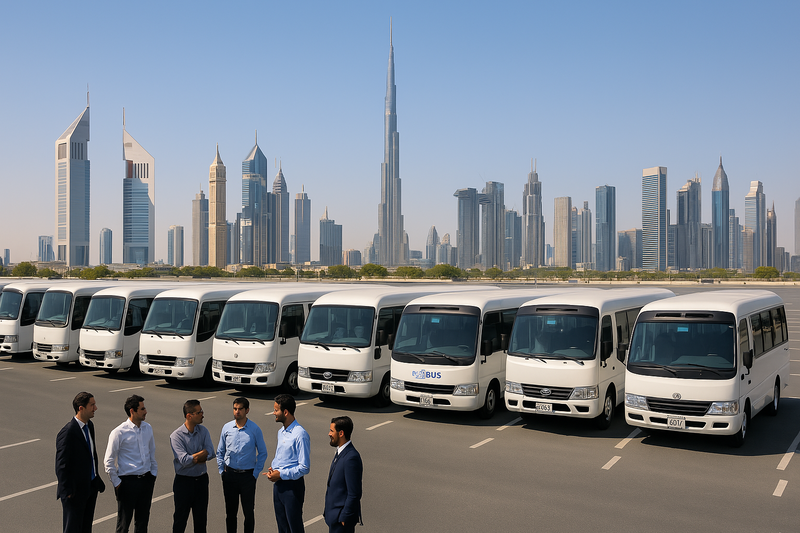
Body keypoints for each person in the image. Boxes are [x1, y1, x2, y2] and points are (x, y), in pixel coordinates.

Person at [104, 394, 158, 533]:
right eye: (142, 408)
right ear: (132, 411)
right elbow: (108, 461)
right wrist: (117, 483)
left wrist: (153, 475)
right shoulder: (118, 432)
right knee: (123, 525)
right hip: (127, 483)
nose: (145, 411)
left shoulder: (148, 428)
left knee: (142, 523)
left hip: (146, 480)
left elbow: (152, 453)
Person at [56, 391, 106, 533]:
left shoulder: (89, 426)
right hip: (74, 493)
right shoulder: (68, 432)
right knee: (72, 529)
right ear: (81, 408)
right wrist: (67, 492)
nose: (95, 408)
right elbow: (61, 465)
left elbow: (91, 455)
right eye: (92, 405)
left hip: (89, 488)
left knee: (86, 528)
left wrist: (95, 479)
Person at [216, 397, 268, 533]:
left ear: (247, 410)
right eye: (235, 409)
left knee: (248, 513)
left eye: (240, 409)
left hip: (247, 477)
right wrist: (222, 471)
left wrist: (255, 474)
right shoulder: (227, 428)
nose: (237, 412)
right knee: (231, 513)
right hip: (230, 475)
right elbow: (220, 451)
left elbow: (262, 453)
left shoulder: (254, 429)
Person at [264, 394, 310, 533]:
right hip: (279, 486)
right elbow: (283, 457)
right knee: (282, 527)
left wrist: (281, 473)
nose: (273, 413)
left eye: (276, 410)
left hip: (292, 487)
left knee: (294, 527)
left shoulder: (300, 434)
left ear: (285, 412)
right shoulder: (281, 432)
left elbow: (304, 467)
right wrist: (274, 467)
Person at [169, 400, 215, 533]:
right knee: (180, 520)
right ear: (189, 415)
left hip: (201, 481)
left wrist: (194, 457)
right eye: (199, 412)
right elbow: (184, 460)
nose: (202, 414)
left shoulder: (203, 431)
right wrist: (201, 455)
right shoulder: (176, 436)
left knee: (201, 521)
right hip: (184, 482)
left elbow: (211, 453)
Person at [324, 416, 363, 533]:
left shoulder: (351, 457)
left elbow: (354, 492)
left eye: (331, 431)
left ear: (341, 433)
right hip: (334, 518)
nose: (329, 434)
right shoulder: (340, 452)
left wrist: (345, 517)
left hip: (341, 521)